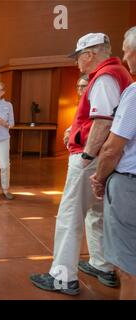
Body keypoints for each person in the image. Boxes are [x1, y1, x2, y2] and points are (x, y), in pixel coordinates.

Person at [30, 33, 133, 295]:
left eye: (78, 57)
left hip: (91, 157)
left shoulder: (104, 77)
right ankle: (101, 264)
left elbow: (103, 122)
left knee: (70, 214)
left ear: (89, 54)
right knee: (96, 213)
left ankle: (63, 277)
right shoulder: (117, 74)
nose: (77, 63)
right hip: (104, 157)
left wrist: (86, 155)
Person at [90, 26, 136, 300]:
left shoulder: (133, 93)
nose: (123, 54)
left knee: (128, 263)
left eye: (125, 48)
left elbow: (111, 149)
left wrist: (99, 178)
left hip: (129, 185)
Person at [63, 75, 89, 147]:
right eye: (78, 86)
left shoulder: (92, 102)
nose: (80, 88)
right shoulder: (82, 102)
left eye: (83, 86)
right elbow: (77, 122)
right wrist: (68, 131)